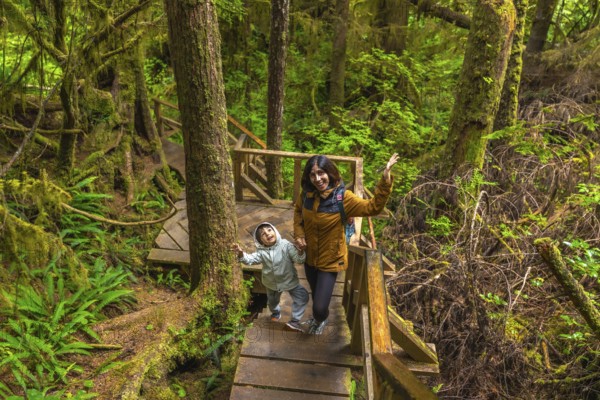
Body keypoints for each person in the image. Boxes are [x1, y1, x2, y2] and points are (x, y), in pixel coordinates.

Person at [294, 153, 399, 334]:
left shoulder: (344, 198)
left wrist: (385, 180)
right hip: (309, 257)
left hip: (331, 260)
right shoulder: (307, 195)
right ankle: (319, 318)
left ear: (330, 172)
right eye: (313, 175)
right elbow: (297, 213)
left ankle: (321, 318)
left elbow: (373, 207)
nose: (318, 179)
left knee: (319, 308)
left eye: (321, 173)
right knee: (316, 294)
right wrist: (299, 234)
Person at [232, 222, 309, 332]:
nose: (267, 234)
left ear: (275, 231)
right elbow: (250, 260)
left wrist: (300, 251)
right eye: (263, 234)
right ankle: (276, 312)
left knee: (303, 297)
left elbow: (299, 260)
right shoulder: (261, 252)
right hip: (271, 283)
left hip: (289, 280)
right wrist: (241, 254)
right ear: (260, 241)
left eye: (269, 230)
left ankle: (294, 321)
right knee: (272, 302)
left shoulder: (286, 245)